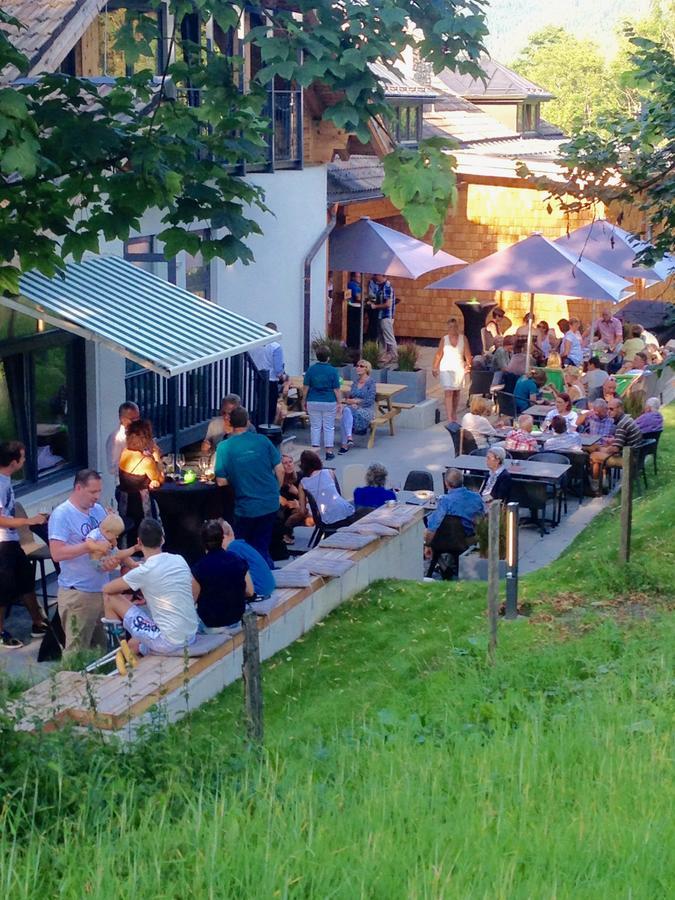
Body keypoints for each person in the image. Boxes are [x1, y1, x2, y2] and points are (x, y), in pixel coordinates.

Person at [102, 518, 198, 656]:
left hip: (168, 642)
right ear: (162, 539)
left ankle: (113, 653)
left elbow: (107, 589)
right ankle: (125, 655)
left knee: (110, 598)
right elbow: (194, 588)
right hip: (190, 635)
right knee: (133, 644)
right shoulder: (179, 559)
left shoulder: (144, 571)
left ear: (139, 542)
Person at [49, 469, 115, 651]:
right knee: (76, 652)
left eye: (99, 491)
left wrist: (111, 558)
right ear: (78, 488)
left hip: (101, 589)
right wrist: (88, 547)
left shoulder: (98, 510)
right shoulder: (62, 515)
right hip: (78, 593)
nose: (97, 496)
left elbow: (107, 543)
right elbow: (57, 553)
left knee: (102, 651)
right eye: (93, 492)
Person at [215, 407, 283, 567]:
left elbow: (221, 481)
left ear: (230, 423)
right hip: (269, 502)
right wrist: (276, 489)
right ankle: (266, 578)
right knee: (262, 545)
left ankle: (249, 581)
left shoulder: (224, 447)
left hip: (245, 506)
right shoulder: (263, 440)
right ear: (248, 422)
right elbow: (280, 469)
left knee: (242, 548)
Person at [0, 441, 49, 648]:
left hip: (11, 540)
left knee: (26, 579)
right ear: (14, 461)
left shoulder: (6, 479)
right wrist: (29, 521)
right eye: (23, 456)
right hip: (2, 543)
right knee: (4, 588)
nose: (26, 459)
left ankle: (38, 622)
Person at [191, 520, 254, 632]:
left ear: (202, 542)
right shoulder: (237, 559)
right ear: (222, 538)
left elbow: (192, 600)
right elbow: (250, 591)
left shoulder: (199, 568)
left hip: (211, 623)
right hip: (236, 619)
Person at [424, 468, 484, 569]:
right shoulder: (476, 497)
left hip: (447, 541)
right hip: (470, 538)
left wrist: (428, 544)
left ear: (446, 483)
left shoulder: (446, 501)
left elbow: (433, 527)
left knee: (424, 533)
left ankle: (440, 567)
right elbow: (482, 518)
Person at [118, 419, 164, 547]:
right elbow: (160, 479)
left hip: (125, 501)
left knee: (128, 534)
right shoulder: (146, 461)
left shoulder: (124, 454)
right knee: (146, 533)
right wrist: (156, 456)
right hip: (141, 504)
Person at [588, 397, 643, 493]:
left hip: (628, 459)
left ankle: (595, 487)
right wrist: (612, 441)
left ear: (620, 408)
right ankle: (602, 484)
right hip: (634, 455)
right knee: (598, 452)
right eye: (608, 409)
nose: (609, 412)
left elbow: (615, 449)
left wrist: (602, 449)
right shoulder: (627, 419)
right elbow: (622, 441)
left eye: (611, 409)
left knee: (594, 456)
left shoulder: (621, 424)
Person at [298, 450, 356, 528]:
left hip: (327, 518)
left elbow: (302, 511)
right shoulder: (329, 472)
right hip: (346, 511)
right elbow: (338, 494)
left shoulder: (303, 483)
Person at [219, 518, 275, 599]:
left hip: (258, 590)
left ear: (223, 537)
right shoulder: (240, 544)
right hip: (267, 586)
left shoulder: (232, 549)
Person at [303, 345, 341, 460]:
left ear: (317, 357)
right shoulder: (333, 370)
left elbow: (306, 387)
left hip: (313, 400)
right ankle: (329, 452)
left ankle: (315, 451)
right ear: (328, 358)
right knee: (329, 427)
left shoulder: (311, 369)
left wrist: (303, 400)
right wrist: (339, 402)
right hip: (329, 400)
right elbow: (336, 389)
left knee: (315, 426)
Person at [432, 317, 472, 423]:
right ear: (447, 328)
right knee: (448, 391)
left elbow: (467, 354)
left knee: (456, 392)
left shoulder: (463, 339)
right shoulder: (444, 339)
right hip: (446, 367)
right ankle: (450, 417)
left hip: (458, 367)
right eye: (450, 327)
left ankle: (454, 412)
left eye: (454, 326)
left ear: (457, 327)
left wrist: (468, 365)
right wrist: (435, 367)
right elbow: (439, 354)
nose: (452, 329)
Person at [248, 324, 286, 424]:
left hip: (257, 379)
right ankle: (267, 426)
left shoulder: (254, 345)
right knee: (270, 407)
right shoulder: (276, 347)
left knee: (259, 404)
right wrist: (284, 377)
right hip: (271, 380)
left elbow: (248, 362)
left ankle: (257, 425)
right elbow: (278, 370)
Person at [339, 359, 376, 453]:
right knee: (346, 411)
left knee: (345, 414)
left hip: (366, 411)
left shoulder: (371, 382)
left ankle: (345, 444)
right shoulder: (355, 382)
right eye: (357, 366)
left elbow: (370, 400)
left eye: (361, 366)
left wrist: (357, 403)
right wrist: (350, 401)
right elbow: (350, 397)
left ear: (366, 369)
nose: (358, 368)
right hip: (352, 409)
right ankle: (348, 439)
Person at [105, 401, 140, 477]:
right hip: (126, 484)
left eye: (138, 418)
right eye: (133, 419)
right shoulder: (116, 438)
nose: (137, 422)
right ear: (122, 419)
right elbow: (112, 468)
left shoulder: (140, 432)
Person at [368, 274, 398, 362]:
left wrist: (375, 306)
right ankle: (381, 357)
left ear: (382, 276)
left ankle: (395, 356)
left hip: (386, 316)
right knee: (381, 338)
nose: (374, 276)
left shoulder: (387, 287)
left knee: (389, 337)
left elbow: (387, 304)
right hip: (381, 316)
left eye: (376, 275)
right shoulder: (380, 286)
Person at [278, 453, 304, 544]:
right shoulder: (278, 480)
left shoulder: (299, 476)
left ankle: (287, 531)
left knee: (302, 511)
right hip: (282, 507)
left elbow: (307, 498)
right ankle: (283, 534)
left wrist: (297, 493)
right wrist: (289, 503)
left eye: (290, 462)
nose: (289, 465)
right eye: (285, 463)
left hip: (295, 507)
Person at [346, 272, 363, 349]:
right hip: (353, 307)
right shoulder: (352, 284)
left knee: (358, 327)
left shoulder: (358, 286)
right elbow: (358, 297)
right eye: (357, 277)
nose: (359, 278)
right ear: (353, 277)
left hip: (358, 307)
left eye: (359, 277)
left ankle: (357, 345)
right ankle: (353, 345)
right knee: (354, 327)